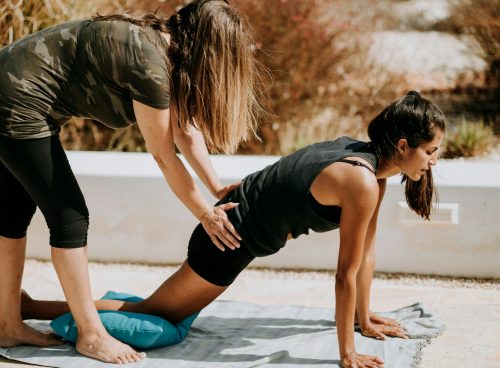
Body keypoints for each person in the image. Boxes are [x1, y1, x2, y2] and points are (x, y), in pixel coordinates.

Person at [21, 91, 446, 368]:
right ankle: (32, 308)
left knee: (158, 310)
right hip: (226, 239)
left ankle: (32, 306)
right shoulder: (361, 181)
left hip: (235, 228)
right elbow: (344, 275)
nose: (432, 162)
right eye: (430, 151)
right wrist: (348, 353)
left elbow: (365, 256)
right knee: (153, 315)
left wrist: (364, 320)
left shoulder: (371, 168)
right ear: (403, 146)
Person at [0, 0, 265, 364]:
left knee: (13, 211)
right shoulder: (151, 65)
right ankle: (91, 335)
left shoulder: (163, 50)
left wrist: (217, 188)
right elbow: (163, 155)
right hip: (16, 98)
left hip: (13, 90)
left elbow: (184, 130)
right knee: (69, 217)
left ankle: (7, 323)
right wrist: (206, 214)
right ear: (209, 46)